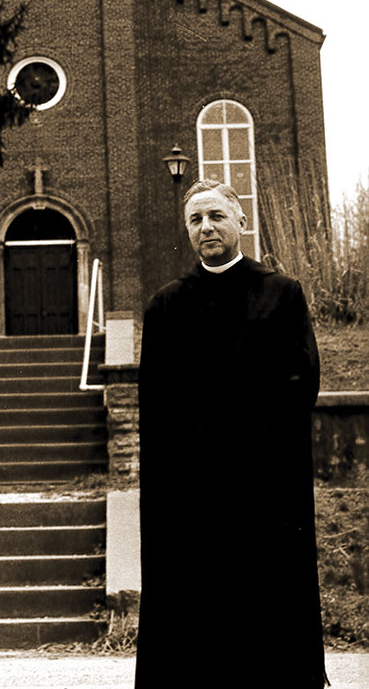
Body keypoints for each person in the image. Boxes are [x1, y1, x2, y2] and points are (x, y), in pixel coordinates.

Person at [135, 179, 327, 689]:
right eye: (196, 220)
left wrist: (247, 438)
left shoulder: (282, 294)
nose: (206, 228)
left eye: (216, 216)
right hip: (194, 492)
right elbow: (155, 405)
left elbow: (301, 381)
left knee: (266, 603)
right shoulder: (166, 306)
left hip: (264, 486)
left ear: (241, 222)